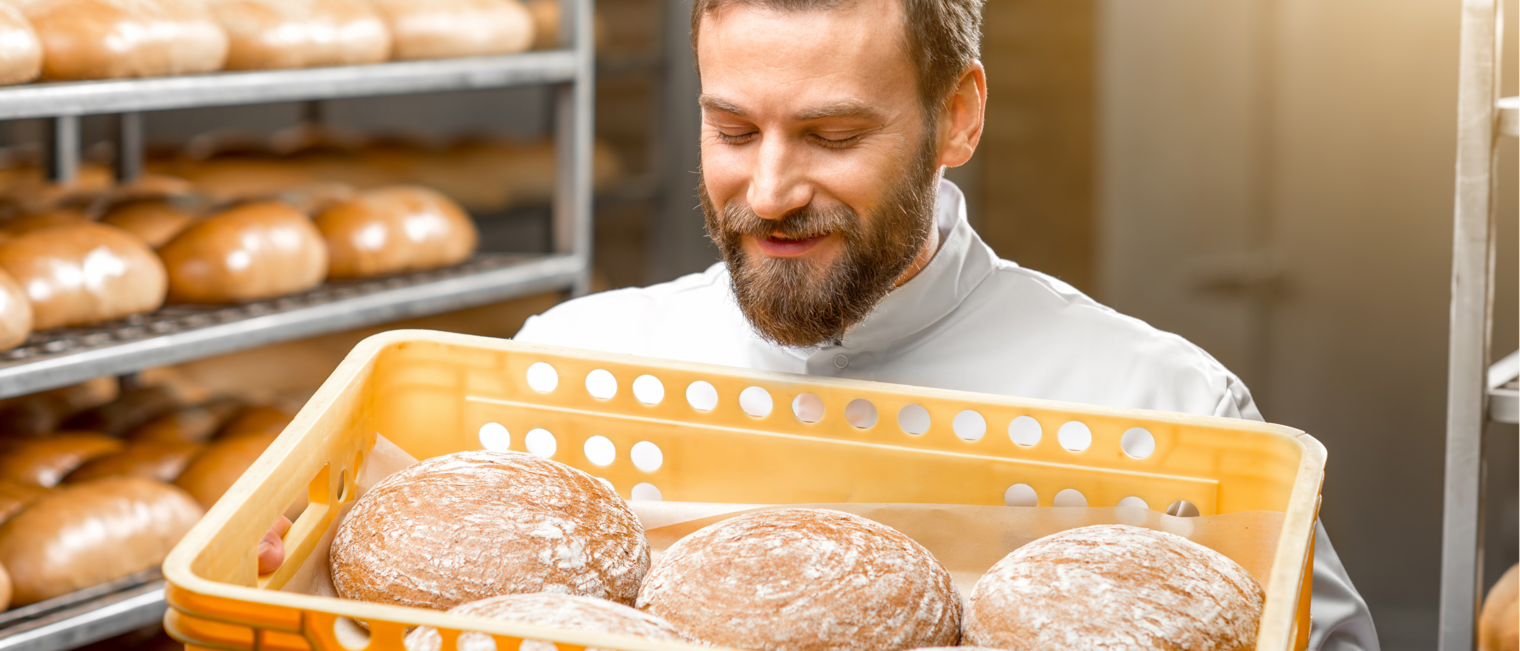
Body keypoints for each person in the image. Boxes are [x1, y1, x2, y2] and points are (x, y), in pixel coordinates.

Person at [511, 0, 1380, 649]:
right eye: (733, 129)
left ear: (958, 116)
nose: (769, 191)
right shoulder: (567, 370)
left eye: (832, 135)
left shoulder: (1168, 408)